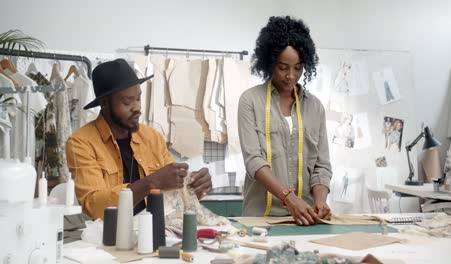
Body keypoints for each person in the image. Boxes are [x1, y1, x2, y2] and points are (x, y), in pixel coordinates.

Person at [66, 59, 212, 220]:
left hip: (157, 232)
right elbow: (94, 207)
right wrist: (151, 183)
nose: (136, 107)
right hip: (108, 237)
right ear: (105, 104)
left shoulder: (152, 137)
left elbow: (174, 196)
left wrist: (194, 187)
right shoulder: (81, 143)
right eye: (127, 102)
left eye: (138, 99)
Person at [238, 16, 332, 225]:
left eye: (298, 68)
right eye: (283, 67)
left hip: (305, 219)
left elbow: (322, 166)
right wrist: (289, 199)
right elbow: (254, 160)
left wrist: (319, 202)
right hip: (260, 220)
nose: (291, 75)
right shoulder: (250, 101)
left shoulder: (315, 107)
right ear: (269, 62)